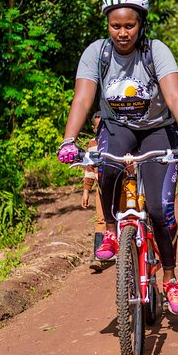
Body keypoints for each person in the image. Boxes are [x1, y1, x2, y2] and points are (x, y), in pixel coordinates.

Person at [57, 0, 178, 314]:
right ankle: (110, 230)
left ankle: (170, 279)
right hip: (117, 129)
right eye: (115, 26)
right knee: (106, 167)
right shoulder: (97, 53)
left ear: (141, 24)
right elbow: (82, 98)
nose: (122, 33)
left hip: (158, 131)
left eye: (130, 25)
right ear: (107, 25)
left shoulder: (156, 51)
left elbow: (174, 96)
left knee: (159, 211)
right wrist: (69, 139)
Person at [81, 111, 112, 272]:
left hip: (121, 187)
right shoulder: (93, 145)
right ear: (94, 129)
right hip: (102, 188)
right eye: (98, 128)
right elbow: (90, 168)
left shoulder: (116, 140)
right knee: (101, 219)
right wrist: (86, 189)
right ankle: (97, 256)